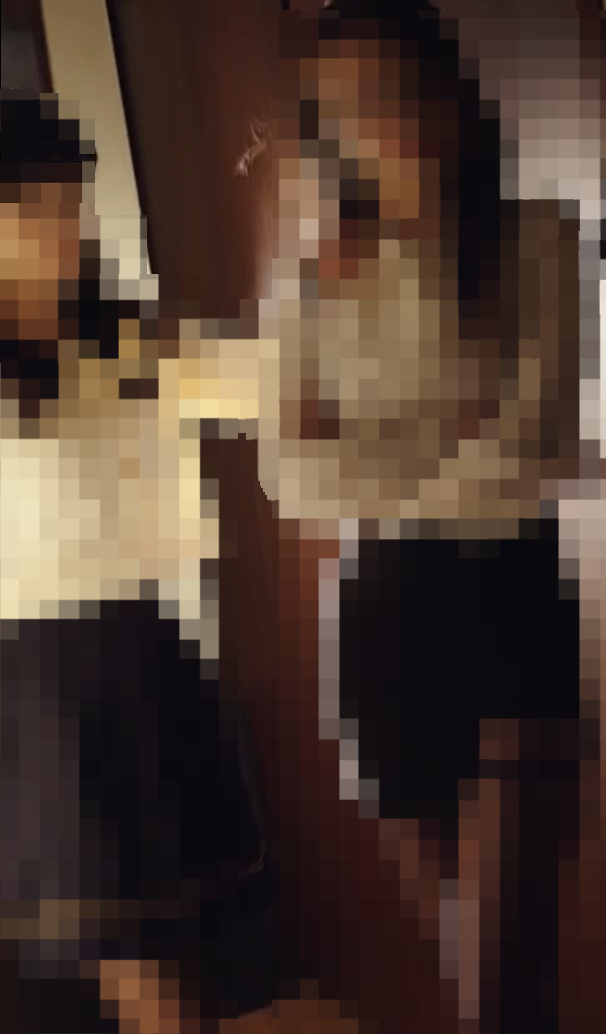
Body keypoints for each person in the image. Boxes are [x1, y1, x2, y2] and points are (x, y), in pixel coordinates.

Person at [0, 91, 271, 1034]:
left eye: (69, 207)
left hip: (146, 656)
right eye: (32, 208)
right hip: (39, 688)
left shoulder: (127, 342)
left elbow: (270, 382)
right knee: (133, 967)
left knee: (183, 953)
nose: (61, 233)